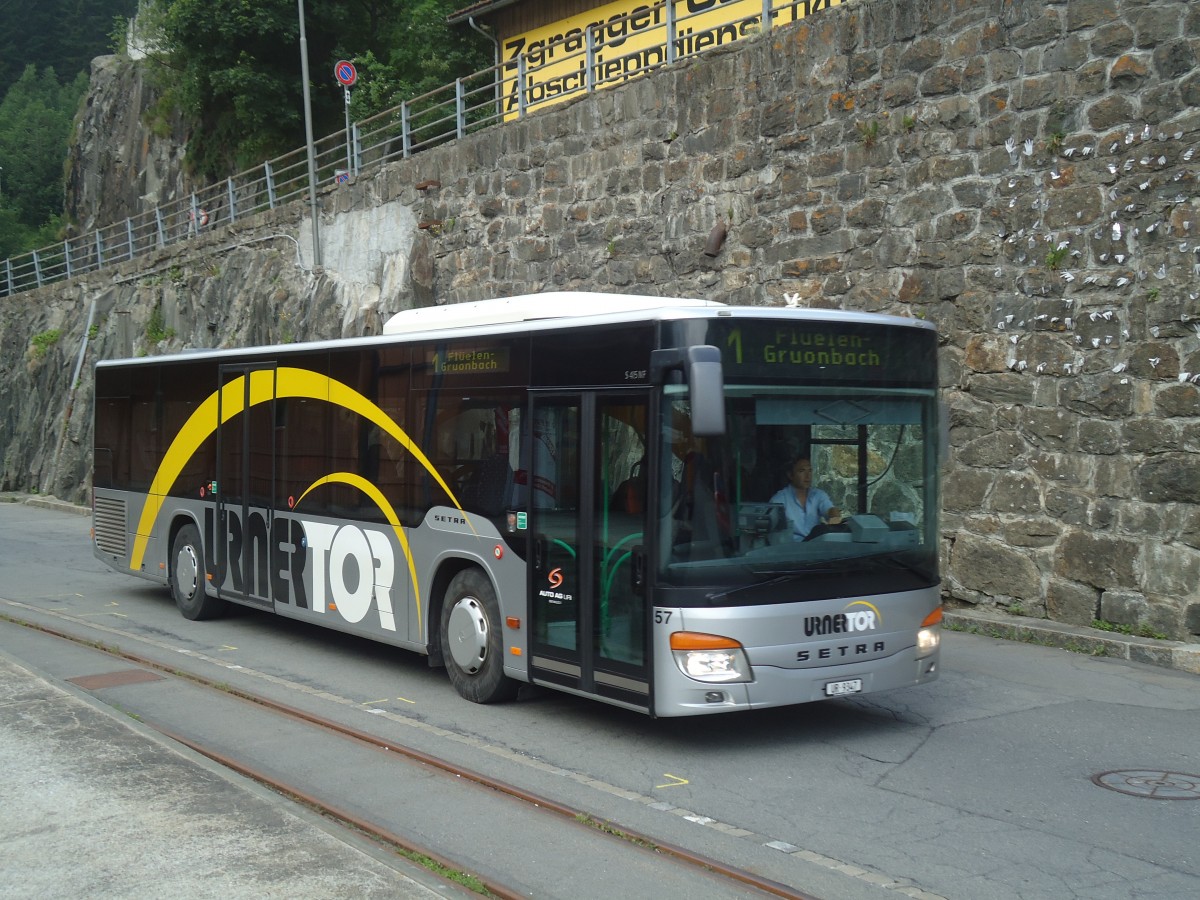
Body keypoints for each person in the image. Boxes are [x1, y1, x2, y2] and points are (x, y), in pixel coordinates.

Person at [770, 456, 841, 540]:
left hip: (814, 547)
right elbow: (771, 530)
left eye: (810, 471)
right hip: (791, 549)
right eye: (802, 471)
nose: (807, 476)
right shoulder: (779, 500)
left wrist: (834, 516)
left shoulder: (818, 495)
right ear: (790, 475)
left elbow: (830, 510)